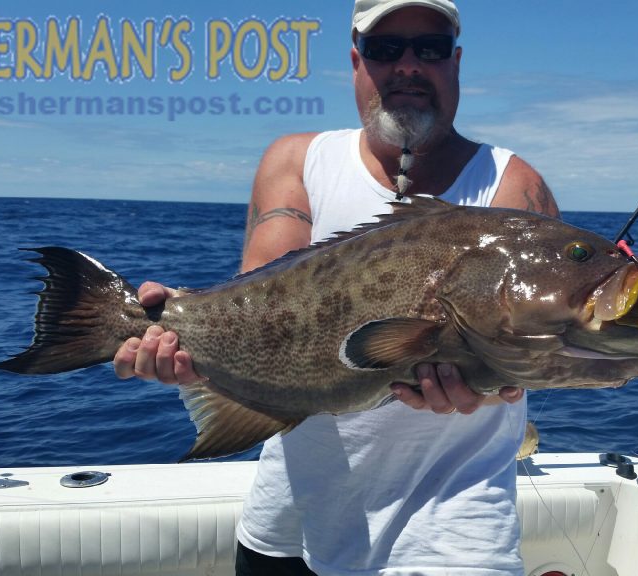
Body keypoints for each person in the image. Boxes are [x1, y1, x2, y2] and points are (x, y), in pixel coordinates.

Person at [114, 1, 559, 574]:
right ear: (355, 61)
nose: (407, 66)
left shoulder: (512, 184)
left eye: (429, 47)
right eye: (383, 49)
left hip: (453, 529)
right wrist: (179, 339)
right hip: (289, 522)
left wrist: (498, 388)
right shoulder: (299, 161)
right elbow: (263, 305)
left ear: (456, 62)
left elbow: (527, 351)